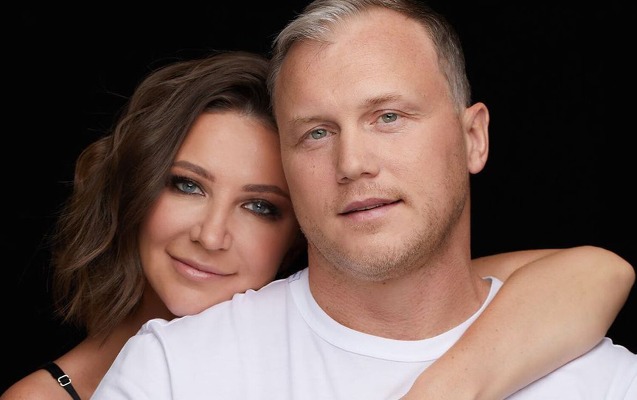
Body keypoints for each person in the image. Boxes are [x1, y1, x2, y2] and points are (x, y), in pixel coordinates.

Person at [89, 1, 636, 399]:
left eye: (388, 117)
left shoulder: (606, 383)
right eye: (316, 133)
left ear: (474, 138)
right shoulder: (173, 372)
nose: (352, 163)